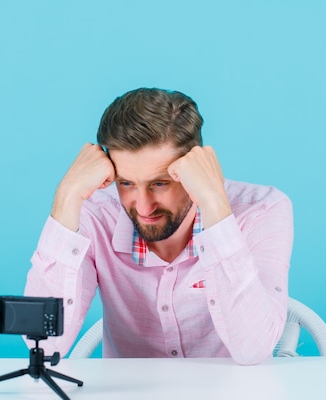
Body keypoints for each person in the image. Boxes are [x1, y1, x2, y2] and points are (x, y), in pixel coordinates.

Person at [24, 87, 294, 365]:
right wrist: (67, 196)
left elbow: (253, 350)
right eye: (126, 183)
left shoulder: (261, 210)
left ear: (194, 169)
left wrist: (214, 203)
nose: (143, 207)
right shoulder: (93, 215)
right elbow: (43, 342)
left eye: (160, 183)